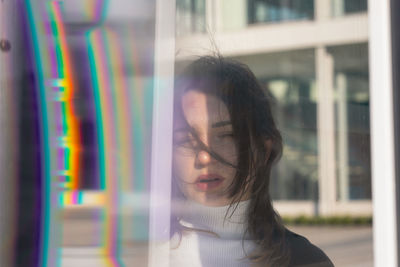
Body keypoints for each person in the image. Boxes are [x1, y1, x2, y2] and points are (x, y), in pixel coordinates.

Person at [170, 55, 333, 267]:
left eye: (226, 135)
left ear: (264, 149)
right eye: (184, 140)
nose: (204, 157)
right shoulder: (142, 256)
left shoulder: (307, 261)